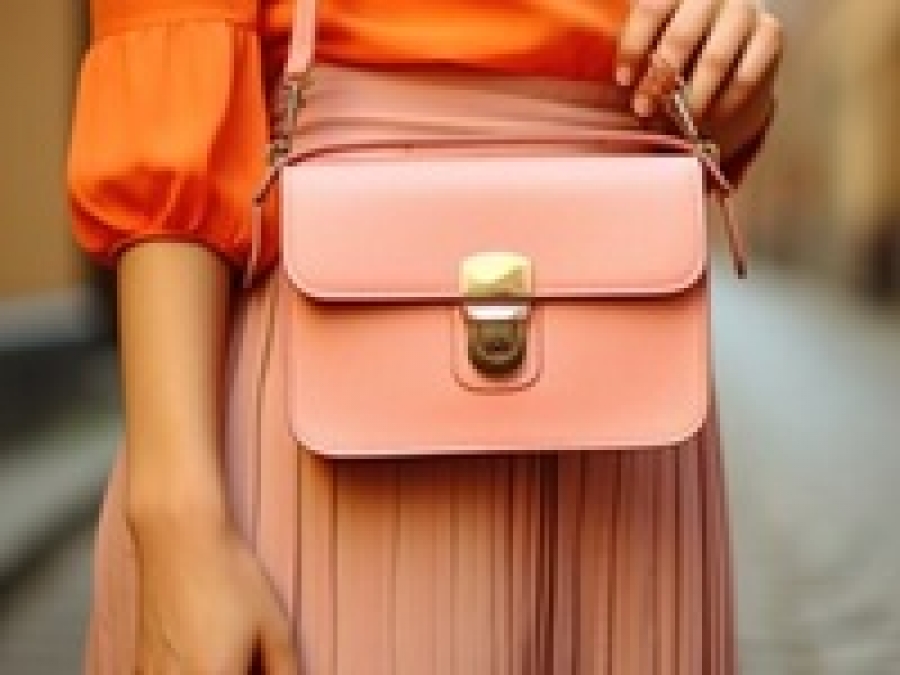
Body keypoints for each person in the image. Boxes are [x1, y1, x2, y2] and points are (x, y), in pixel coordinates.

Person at [67, 0, 782, 672]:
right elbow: (170, 37)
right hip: (328, 384)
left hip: (633, 397)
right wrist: (176, 520)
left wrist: (726, 66)